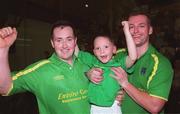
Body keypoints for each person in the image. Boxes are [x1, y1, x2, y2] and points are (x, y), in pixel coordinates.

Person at [88, 11, 174, 114]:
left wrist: (125, 84)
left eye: (141, 26)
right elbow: (88, 64)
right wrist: (89, 73)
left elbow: (155, 107)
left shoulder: (161, 63)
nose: (136, 31)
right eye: (131, 27)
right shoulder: (116, 55)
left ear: (150, 30)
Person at [0, 21, 91, 114]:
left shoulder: (87, 65)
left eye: (69, 39)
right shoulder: (40, 71)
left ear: (75, 41)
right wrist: (3, 49)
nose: (64, 45)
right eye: (59, 40)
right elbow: (5, 88)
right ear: (52, 43)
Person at [78, 21, 137, 114]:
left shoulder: (118, 64)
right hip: (93, 108)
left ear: (114, 49)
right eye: (98, 48)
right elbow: (77, 53)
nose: (102, 51)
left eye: (106, 47)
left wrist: (126, 31)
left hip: (113, 108)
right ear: (94, 51)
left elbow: (133, 57)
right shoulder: (93, 61)